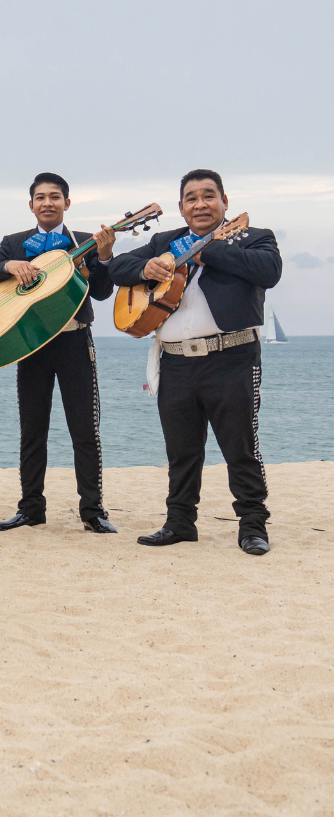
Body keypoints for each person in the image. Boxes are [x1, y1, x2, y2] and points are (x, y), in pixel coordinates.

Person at [108, 169, 281, 555]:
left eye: (208, 196)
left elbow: (270, 272)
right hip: (176, 363)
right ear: (181, 207)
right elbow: (113, 268)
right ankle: (180, 522)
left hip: (232, 358)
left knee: (241, 447)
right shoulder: (165, 241)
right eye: (191, 197)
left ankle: (252, 524)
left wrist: (209, 248)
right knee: (181, 451)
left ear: (225, 202)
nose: (200, 203)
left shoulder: (253, 238)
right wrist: (144, 268)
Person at [0, 172, 118, 534]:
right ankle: (31, 509)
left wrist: (104, 256)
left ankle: (93, 510)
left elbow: (101, 292)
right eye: (40, 197)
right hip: (30, 345)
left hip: (75, 340)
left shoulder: (85, 241)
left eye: (55, 197)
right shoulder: (14, 242)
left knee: (85, 428)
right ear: (31, 205)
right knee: (32, 429)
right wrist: (9, 265)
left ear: (67, 203)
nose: (48, 203)